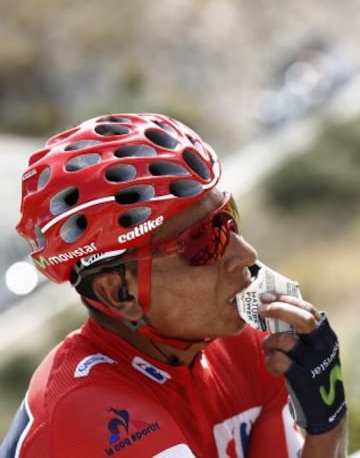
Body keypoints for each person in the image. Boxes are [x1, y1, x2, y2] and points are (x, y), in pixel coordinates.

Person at [0, 112, 347, 457]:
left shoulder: (249, 346)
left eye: (228, 220)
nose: (245, 254)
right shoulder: (91, 410)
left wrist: (327, 423)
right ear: (120, 293)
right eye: (205, 240)